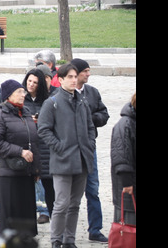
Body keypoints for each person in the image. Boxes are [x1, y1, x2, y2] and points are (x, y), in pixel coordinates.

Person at [38, 63, 96, 248]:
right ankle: (56, 240)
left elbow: (90, 127)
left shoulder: (82, 100)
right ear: (60, 79)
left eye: (74, 76)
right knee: (61, 203)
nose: (73, 80)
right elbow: (44, 130)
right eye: (69, 77)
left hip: (82, 160)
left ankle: (69, 240)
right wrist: (59, 147)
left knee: (75, 204)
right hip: (62, 161)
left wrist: (89, 145)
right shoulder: (52, 102)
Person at [0, 79, 40, 239]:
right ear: (8, 95)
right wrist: (20, 151)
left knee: (26, 210)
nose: (23, 94)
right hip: (9, 171)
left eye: (23, 92)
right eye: (19, 92)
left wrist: (36, 168)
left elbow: (34, 140)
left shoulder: (25, 112)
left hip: (26, 171)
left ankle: (25, 239)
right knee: (11, 211)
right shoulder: (0, 114)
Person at [73, 59, 110, 244]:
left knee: (93, 190)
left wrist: (90, 118)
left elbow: (104, 115)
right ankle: (65, 231)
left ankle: (95, 229)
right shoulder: (64, 94)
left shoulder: (92, 93)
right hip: (70, 151)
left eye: (89, 71)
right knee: (69, 194)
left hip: (89, 148)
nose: (88, 74)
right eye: (85, 71)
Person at [23, 68, 54, 224]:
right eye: (29, 81)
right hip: (27, 142)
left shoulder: (47, 100)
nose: (31, 85)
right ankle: (33, 208)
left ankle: (45, 210)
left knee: (43, 178)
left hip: (43, 144)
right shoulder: (23, 98)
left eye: (35, 82)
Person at [110, 93, 136, 228]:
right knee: (129, 228)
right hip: (129, 186)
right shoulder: (125, 124)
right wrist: (127, 184)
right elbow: (121, 157)